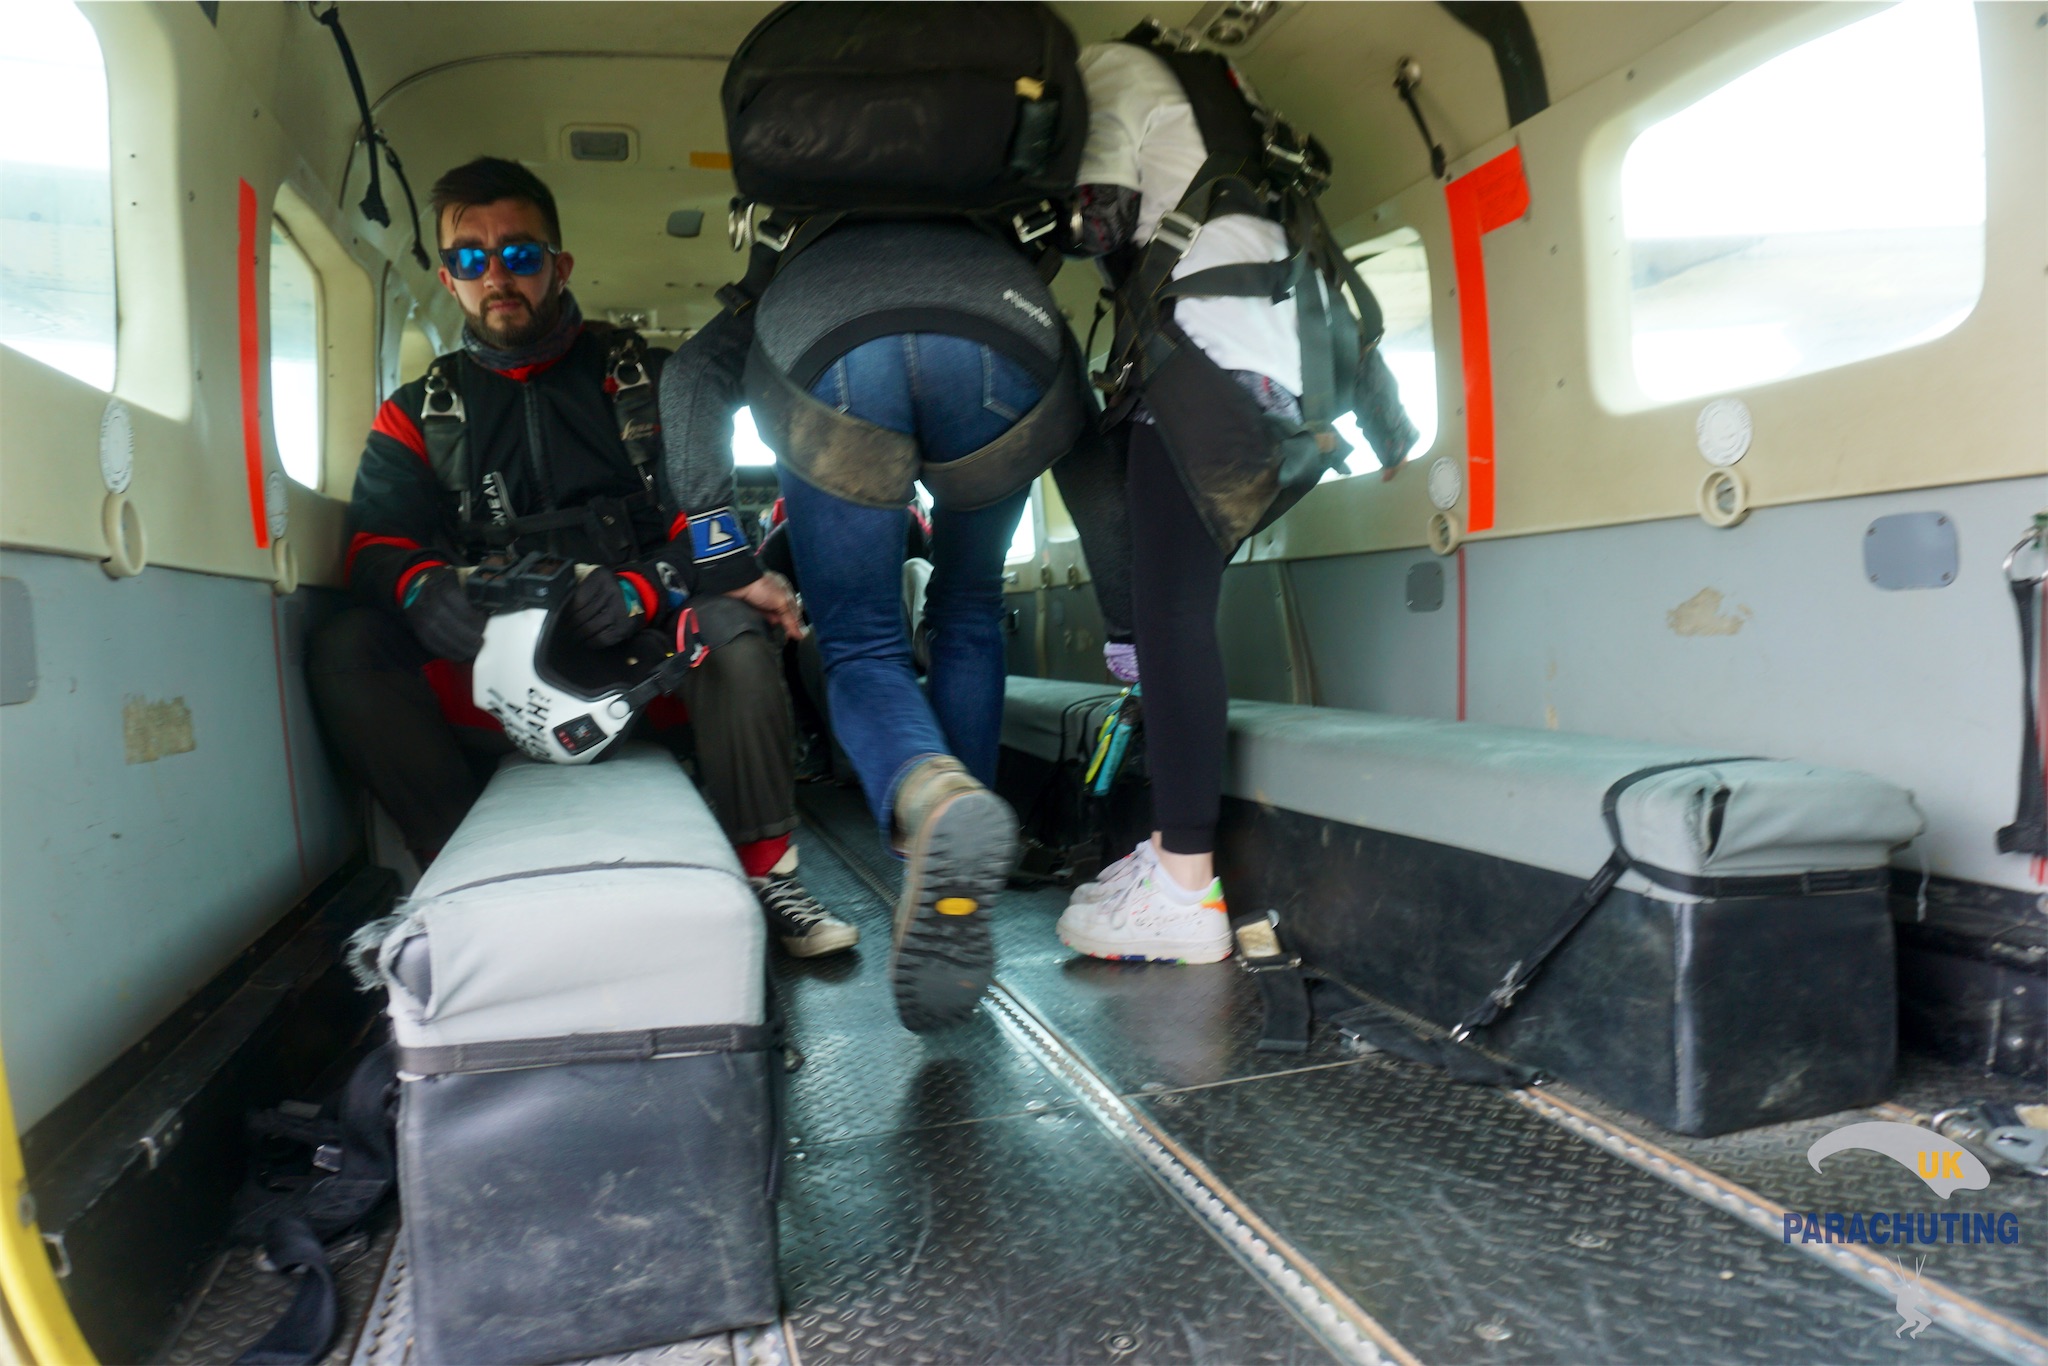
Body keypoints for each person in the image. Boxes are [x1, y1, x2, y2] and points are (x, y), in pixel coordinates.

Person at [307, 156, 858, 958]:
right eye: (471, 258)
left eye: (520, 254)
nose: (498, 276)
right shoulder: (415, 414)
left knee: (731, 628)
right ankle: (453, 880)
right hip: (491, 679)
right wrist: (421, 585)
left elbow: (709, 532)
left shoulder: (655, 384)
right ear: (449, 277)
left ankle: (769, 875)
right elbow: (374, 543)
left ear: (559, 266)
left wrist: (642, 588)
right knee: (348, 647)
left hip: (643, 670)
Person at [664, 222, 1089, 1030]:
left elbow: (689, 377)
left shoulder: (796, 249)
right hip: (1007, 343)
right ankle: (960, 846)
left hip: (838, 352)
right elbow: (1078, 406)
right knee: (969, 606)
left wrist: (721, 553)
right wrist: (1128, 608)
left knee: (860, 642)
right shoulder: (982, 222)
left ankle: (932, 798)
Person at [1054, 34, 1417, 965]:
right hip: (1285, 378)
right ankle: (1170, 859)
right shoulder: (1229, 95)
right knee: (1175, 613)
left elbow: (1098, 218)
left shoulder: (1109, 67)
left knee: (1170, 620)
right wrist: (1388, 425)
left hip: (1202, 365)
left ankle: (1183, 888)